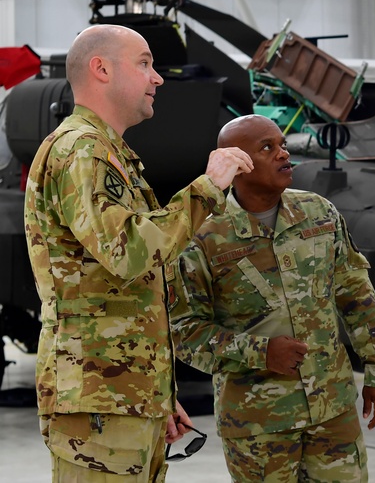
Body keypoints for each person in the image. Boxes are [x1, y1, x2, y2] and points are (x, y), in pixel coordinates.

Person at [23, 24, 254, 482]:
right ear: (101, 69)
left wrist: (156, 394)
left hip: (125, 400)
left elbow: (132, 289)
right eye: (145, 63)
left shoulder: (111, 153)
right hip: (98, 405)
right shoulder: (82, 152)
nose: (158, 78)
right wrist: (210, 186)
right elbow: (129, 253)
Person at [169, 114, 375, 482]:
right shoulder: (202, 236)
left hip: (332, 410)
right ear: (237, 163)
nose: (283, 155)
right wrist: (260, 352)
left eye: (283, 146)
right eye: (267, 148)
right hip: (258, 424)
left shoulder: (319, 213)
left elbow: (357, 297)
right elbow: (184, 332)